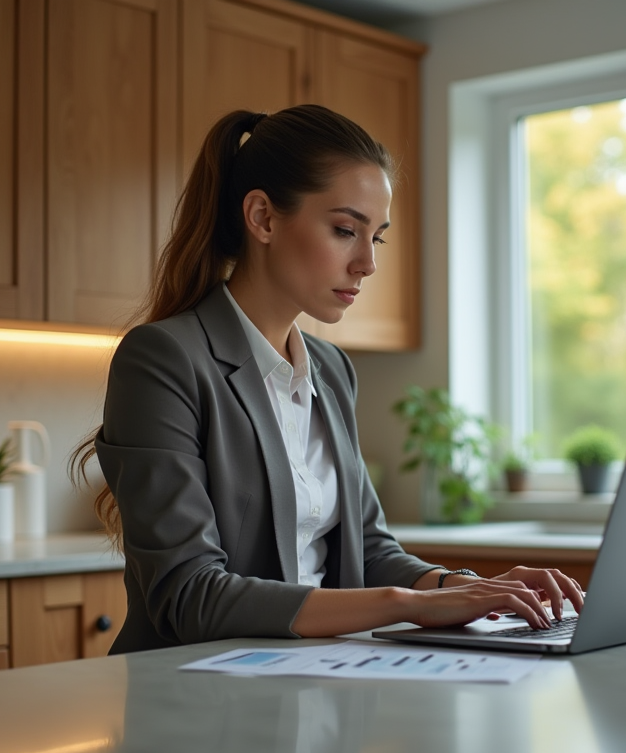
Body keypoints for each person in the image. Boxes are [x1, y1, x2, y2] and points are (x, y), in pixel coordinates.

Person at [72, 105, 584, 654]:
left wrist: (471, 587)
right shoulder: (163, 359)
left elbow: (369, 550)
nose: (367, 262)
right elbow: (189, 596)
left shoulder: (332, 370)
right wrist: (411, 605)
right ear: (263, 218)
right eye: (345, 230)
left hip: (316, 681)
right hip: (195, 695)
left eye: (377, 238)